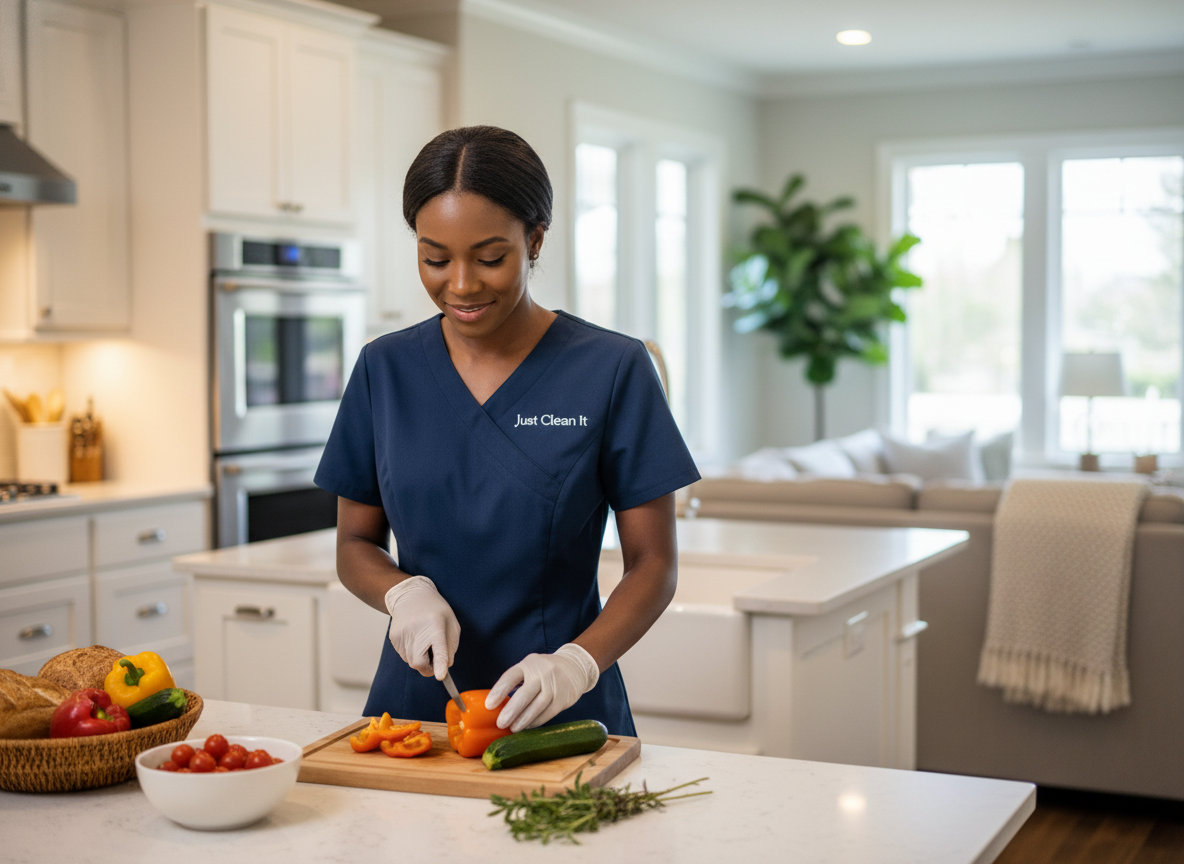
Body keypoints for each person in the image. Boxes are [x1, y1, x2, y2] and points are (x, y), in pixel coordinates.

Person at [314, 126, 699, 736]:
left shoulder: (612, 369)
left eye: (490, 258)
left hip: (559, 713)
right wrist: (402, 593)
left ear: (536, 238)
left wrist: (578, 663)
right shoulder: (384, 370)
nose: (461, 284)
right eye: (434, 258)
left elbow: (654, 565)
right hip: (417, 710)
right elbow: (353, 546)